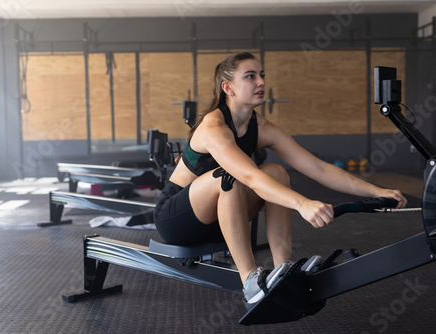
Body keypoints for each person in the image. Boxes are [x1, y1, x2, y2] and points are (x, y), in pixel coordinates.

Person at [153, 52, 407, 304]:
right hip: (177, 220)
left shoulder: (261, 127)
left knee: (276, 172)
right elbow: (250, 177)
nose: (261, 82)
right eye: (250, 76)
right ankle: (250, 281)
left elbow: (318, 168)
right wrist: (302, 203)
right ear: (228, 87)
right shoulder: (214, 128)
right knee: (227, 177)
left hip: (221, 221)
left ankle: (283, 268)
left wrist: (376, 191)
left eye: (261, 75)